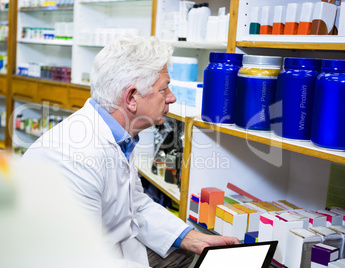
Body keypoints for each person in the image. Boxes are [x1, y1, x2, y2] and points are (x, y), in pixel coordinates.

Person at [22, 35, 240, 267]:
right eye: (164, 89)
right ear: (132, 97)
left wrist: (190, 238)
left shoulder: (119, 135)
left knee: (189, 254)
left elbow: (134, 204)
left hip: (110, 249)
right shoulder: (74, 157)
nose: (172, 98)